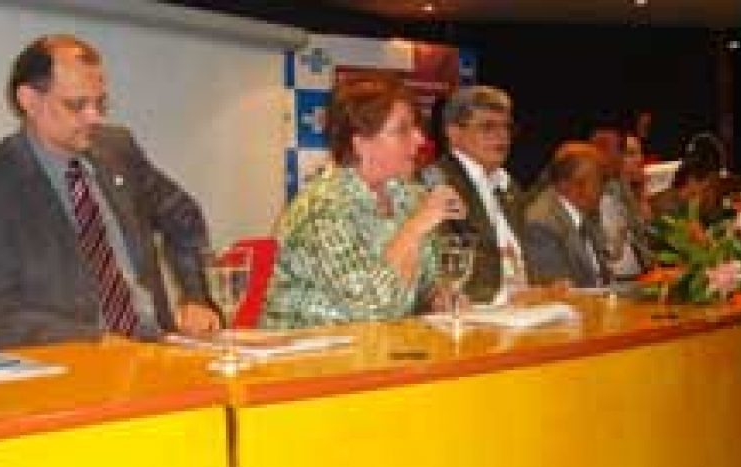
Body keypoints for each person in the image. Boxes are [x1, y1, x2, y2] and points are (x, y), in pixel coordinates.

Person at [0, 35, 218, 350]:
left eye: (100, 103)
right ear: (29, 100)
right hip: (72, 363)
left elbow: (182, 215)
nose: (94, 117)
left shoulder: (117, 149)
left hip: (156, 349)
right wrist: (97, 342)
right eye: (76, 105)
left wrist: (196, 296)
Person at [260, 74, 465, 329]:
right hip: (312, 348)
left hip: (380, 345)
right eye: (402, 130)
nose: (420, 139)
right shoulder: (322, 209)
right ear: (360, 144)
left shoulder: (409, 197)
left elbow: (422, 286)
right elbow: (369, 308)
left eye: (416, 127)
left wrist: (438, 298)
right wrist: (414, 227)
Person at [422, 85, 529, 303]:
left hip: (520, 309)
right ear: (454, 132)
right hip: (475, 309)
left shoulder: (510, 187)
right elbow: (443, 269)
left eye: (507, 127)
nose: (502, 136)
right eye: (488, 127)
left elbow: (523, 259)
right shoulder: (436, 182)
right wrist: (506, 297)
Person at [522, 141, 612, 288]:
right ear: (575, 186)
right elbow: (557, 289)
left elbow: (603, 275)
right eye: (599, 182)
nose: (603, 190)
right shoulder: (541, 224)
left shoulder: (584, 214)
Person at [590, 123, 652, 280]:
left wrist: (641, 195)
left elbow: (643, 235)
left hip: (640, 273)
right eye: (627, 153)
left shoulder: (620, 187)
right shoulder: (591, 193)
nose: (639, 159)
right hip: (614, 278)